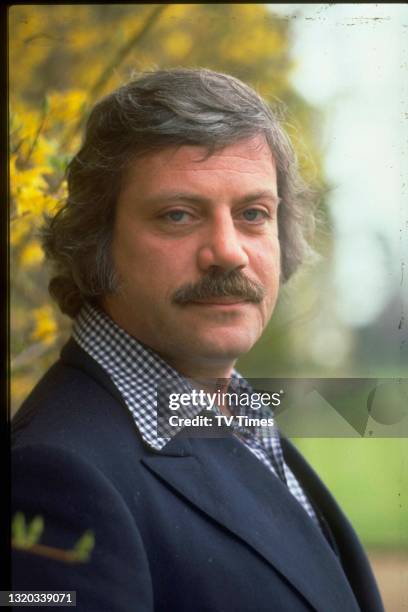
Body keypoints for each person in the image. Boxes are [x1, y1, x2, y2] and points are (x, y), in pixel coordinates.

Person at [11, 68, 383, 612]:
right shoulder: (52, 479)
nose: (228, 251)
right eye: (178, 215)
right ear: (97, 240)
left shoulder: (230, 410)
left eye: (253, 214)